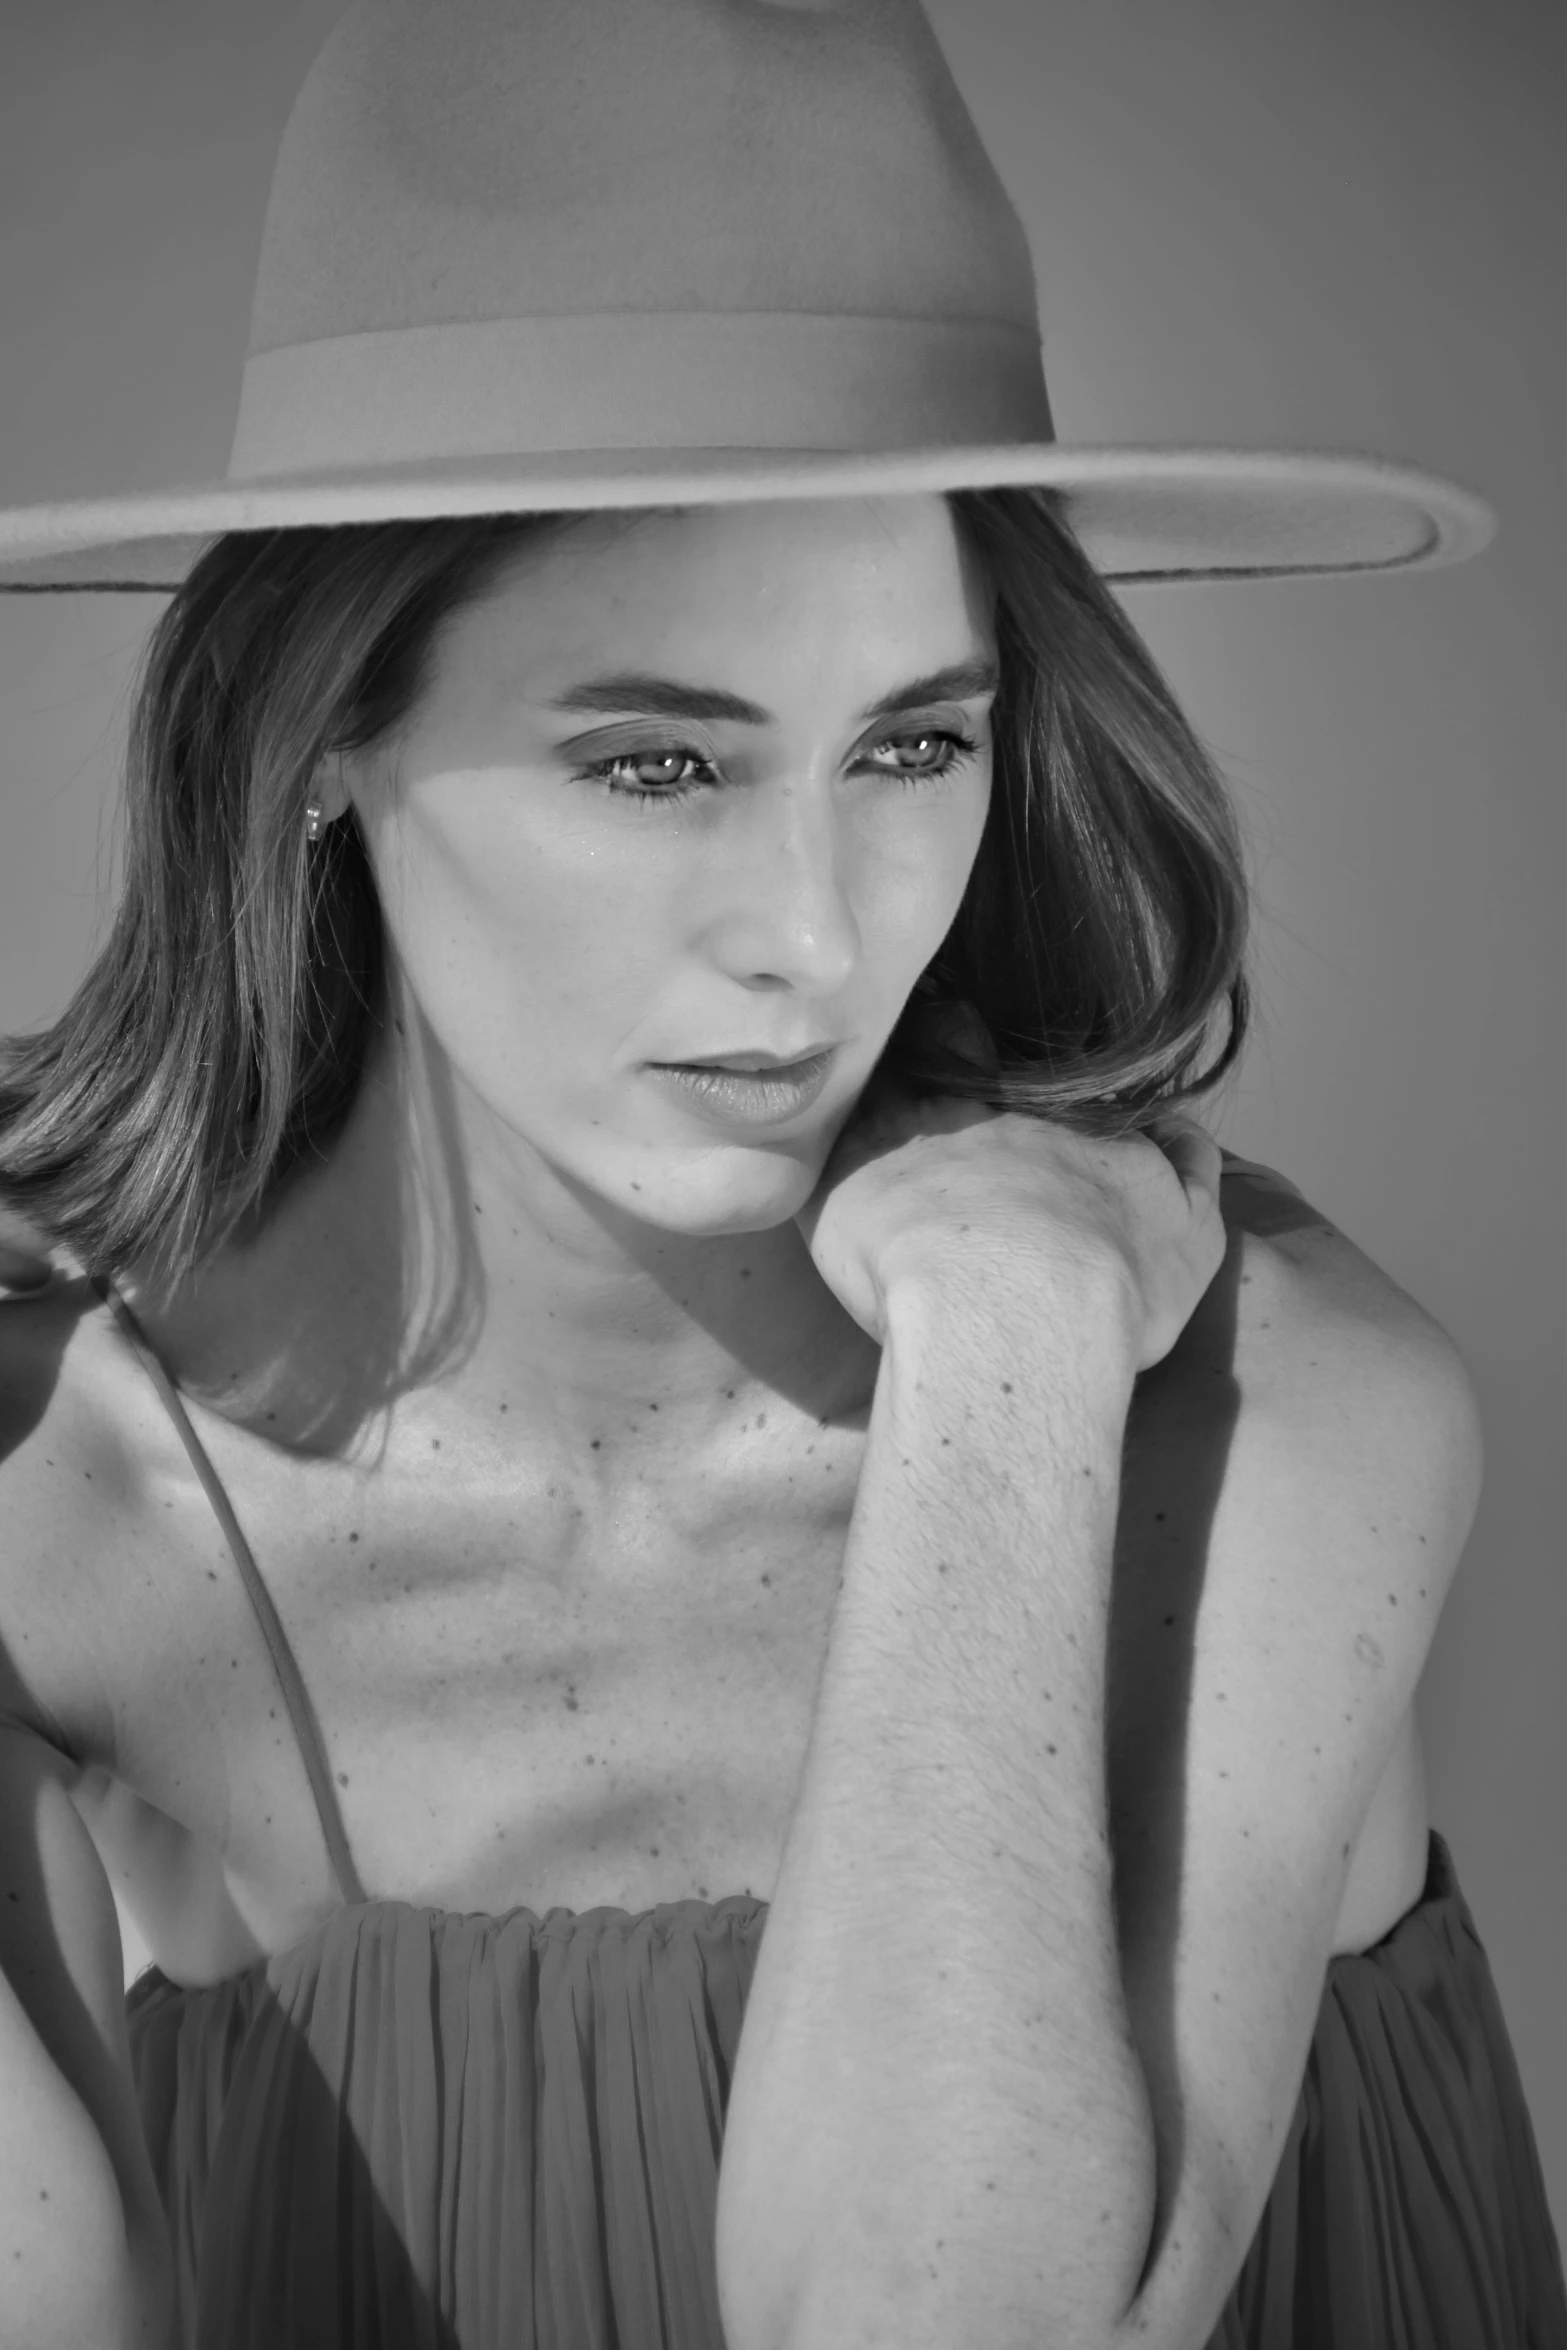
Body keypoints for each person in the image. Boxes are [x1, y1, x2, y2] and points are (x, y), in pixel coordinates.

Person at [0, 3, 1560, 2346]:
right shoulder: (74, 1510)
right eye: (656, 766)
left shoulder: (1265, 1410)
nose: (819, 933)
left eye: (913, 741)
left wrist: (1017, 1351)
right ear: (318, 743)